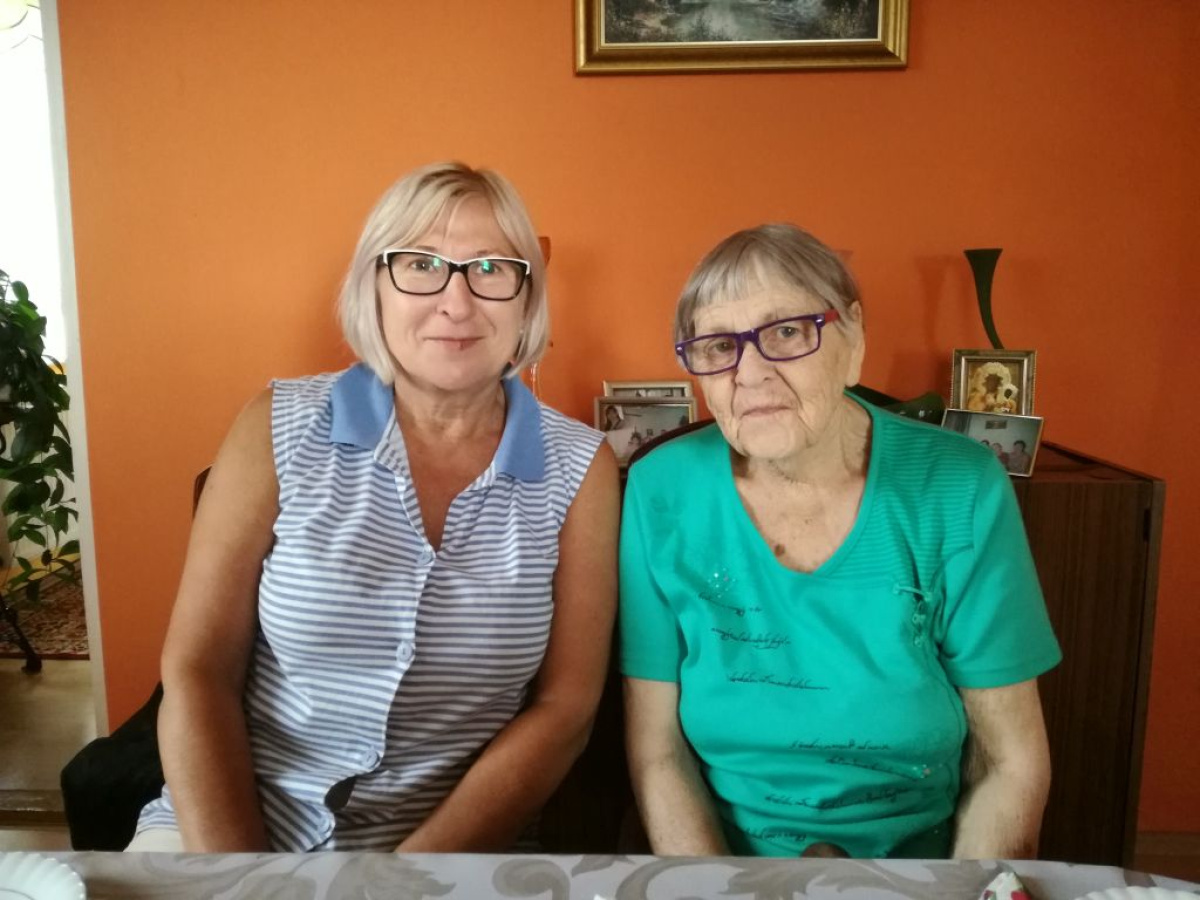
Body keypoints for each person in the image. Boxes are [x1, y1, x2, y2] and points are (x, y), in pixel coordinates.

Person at [130, 162, 619, 852]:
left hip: (454, 853)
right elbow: (198, 668)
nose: (456, 302)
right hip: (229, 830)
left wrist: (401, 880)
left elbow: (565, 709)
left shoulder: (581, 468)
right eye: (421, 265)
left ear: (526, 298)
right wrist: (242, 877)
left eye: (490, 268)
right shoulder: (276, 425)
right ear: (374, 286)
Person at [620, 224, 1060, 860]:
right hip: (727, 871)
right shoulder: (662, 491)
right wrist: (714, 889)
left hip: (921, 874)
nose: (750, 373)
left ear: (853, 339)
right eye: (718, 345)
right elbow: (657, 754)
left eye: (787, 332)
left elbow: (1009, 761)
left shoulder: (957, 486)